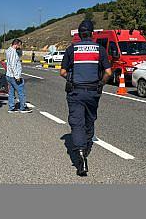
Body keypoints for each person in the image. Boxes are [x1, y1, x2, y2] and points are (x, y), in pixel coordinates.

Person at [60, 20, 112, 176]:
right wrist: (100, 84)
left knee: (77, 123)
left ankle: (81, 156)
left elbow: (62, 72)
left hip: (75, 92)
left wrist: (72, 77)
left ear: (79, 34)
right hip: (92, 92)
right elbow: (108, 72)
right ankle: (87, 145)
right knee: (89, 120)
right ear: (92, 33)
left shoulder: (71, 49)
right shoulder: (100, 49)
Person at [5, 39, 32, 113]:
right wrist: (17, 76)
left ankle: (11, 107)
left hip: (9, 75)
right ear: (16, 44)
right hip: (14, 76)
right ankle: (22, 108)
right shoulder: (13, 52)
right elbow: (13, 65)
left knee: (11, 92)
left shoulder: (8, 50)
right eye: (20, 45)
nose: (20, 47)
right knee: (21, 91)